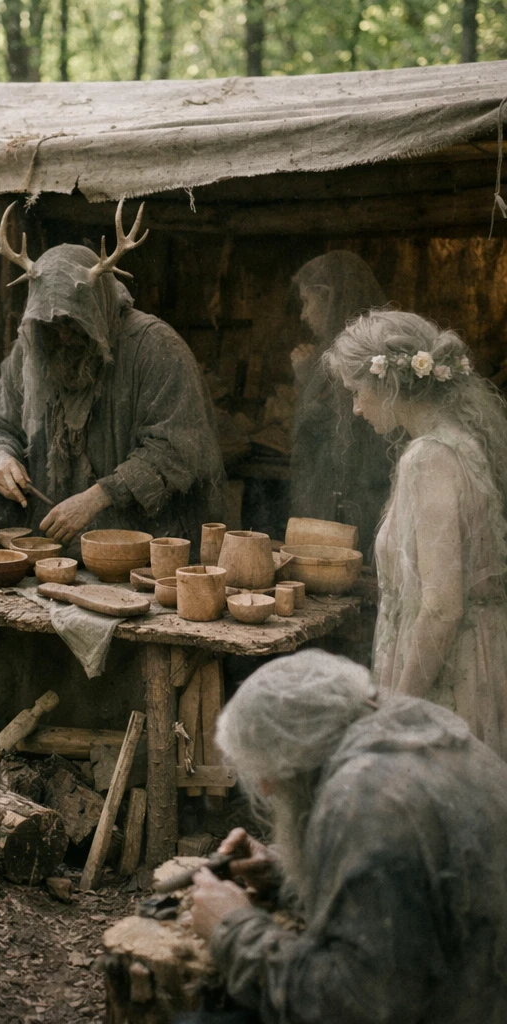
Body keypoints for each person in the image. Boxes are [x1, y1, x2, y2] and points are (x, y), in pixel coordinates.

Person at [189, 649, 507, 1024]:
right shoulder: (417, 733)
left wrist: (234, 927)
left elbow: (352, 1005)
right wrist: (286, 872)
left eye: (268, 771)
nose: (266, 788)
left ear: (298, 753)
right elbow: (404, 890)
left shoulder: (361, 796)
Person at [0, 202, 224, 547]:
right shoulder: (34, 350)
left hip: (148, 553)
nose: (62, 335)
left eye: (74, 324)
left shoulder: (155, 347)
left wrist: (99, 496)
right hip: (57, 556)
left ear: (96, 309)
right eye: (50, 325)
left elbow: (176, 449)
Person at [324, 310, 507, 756]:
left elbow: (443, 608)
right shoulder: (462, 440)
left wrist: (399, 708)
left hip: (449, 674)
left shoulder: (429, 458)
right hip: (476, 655)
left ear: (387, 383)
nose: (356, 408)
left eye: (357, 392)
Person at [288, 251, 392, 559]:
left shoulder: (362, 354)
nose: (303, 315)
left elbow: (343, 432)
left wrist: (307, 377)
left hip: (358, 504)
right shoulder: (326, 351)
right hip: (329, 498)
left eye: (307, 301)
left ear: (329, 298)